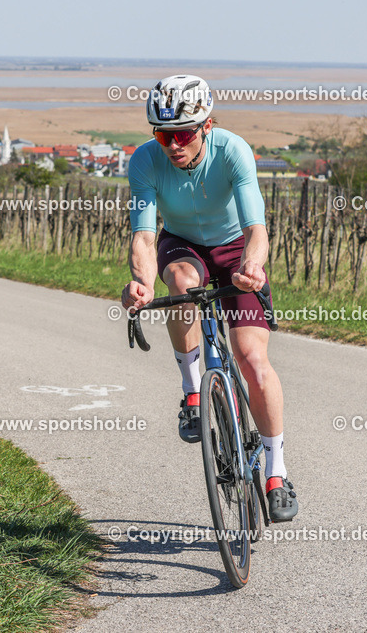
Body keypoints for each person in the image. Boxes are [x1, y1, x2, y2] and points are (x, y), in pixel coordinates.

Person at [120, 74, 297, 522]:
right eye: (163, 134)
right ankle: (192, 392)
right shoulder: (144, 162)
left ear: (207, 126)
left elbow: (257, 228)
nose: (173, 145)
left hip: (236, 248)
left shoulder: (233, 150)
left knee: (252, 360)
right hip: (183, 244)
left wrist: (253, 266)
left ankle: (277, 472)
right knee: (179, 282)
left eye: (183, 133)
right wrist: (140, 282)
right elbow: (143, 237)